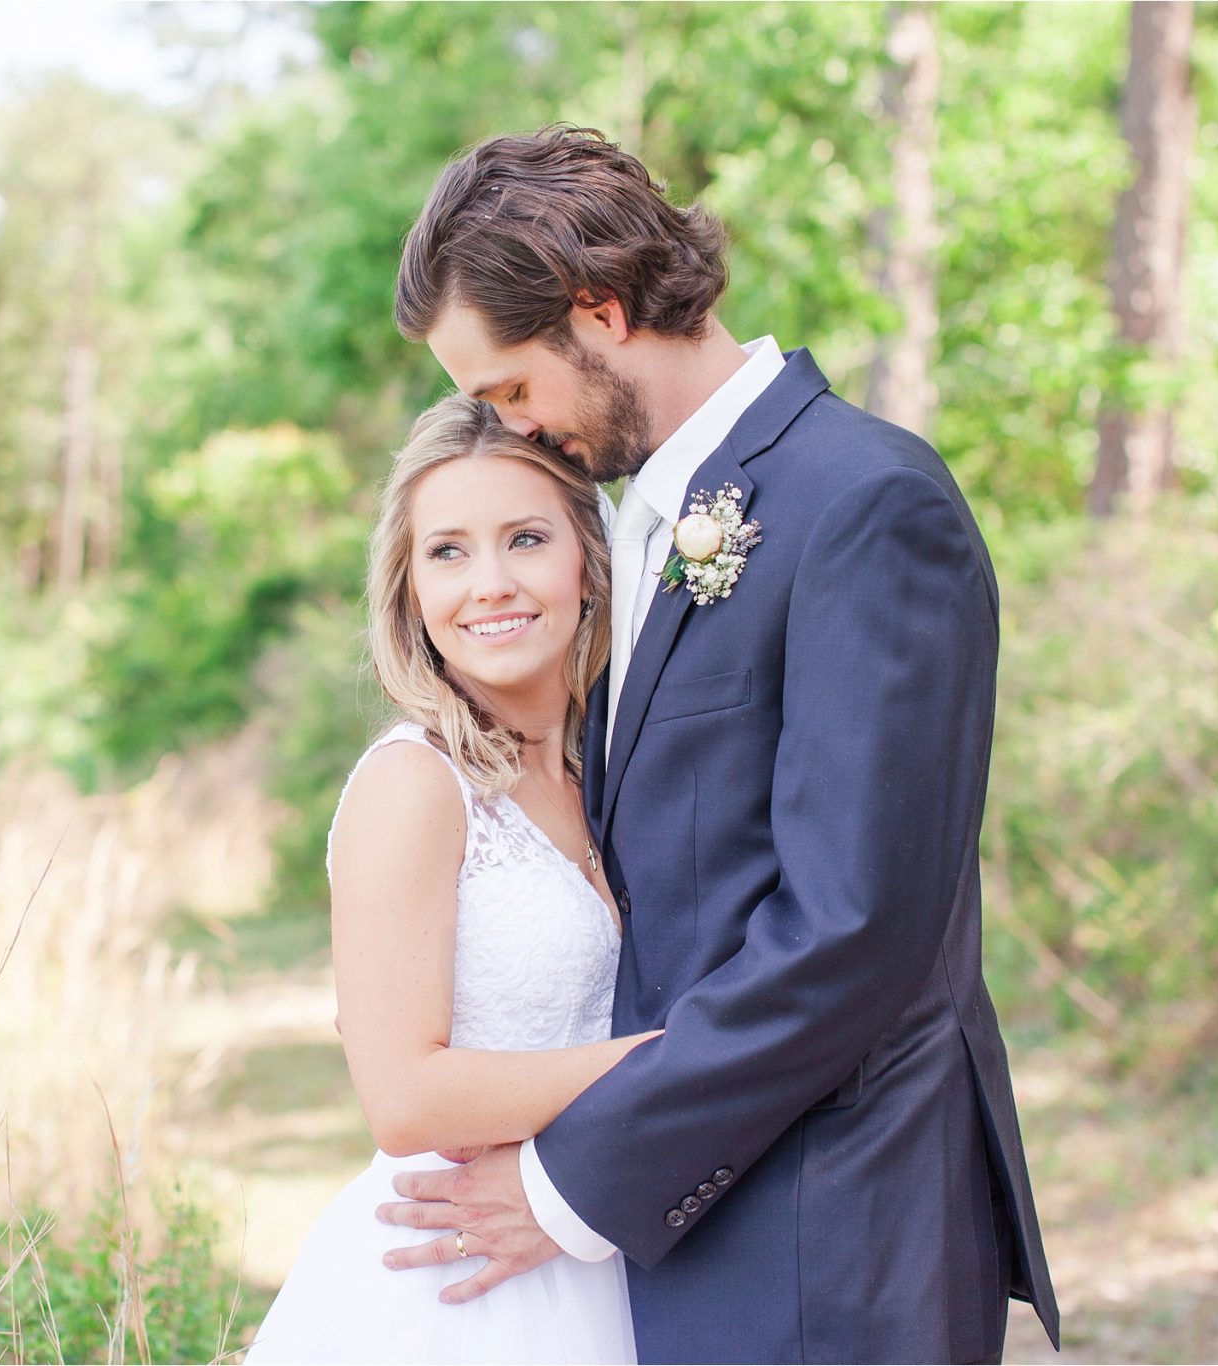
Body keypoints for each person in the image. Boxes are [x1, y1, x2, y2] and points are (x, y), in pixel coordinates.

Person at [373, 126, 1061, 1365]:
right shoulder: (646, 522)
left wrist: (569, 1181)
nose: (516, 433)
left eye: (515, 390)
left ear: (601, 308)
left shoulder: (862, 503)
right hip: (700, 1235)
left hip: (839, 1231)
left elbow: (853, 929)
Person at [244, 396, 655, 1364]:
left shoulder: (612, 772)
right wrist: (679, 1061)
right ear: (409, 588)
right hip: (456, 1275)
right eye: (448, 551)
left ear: (587, 562)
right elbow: (403, 1097)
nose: (490, 584)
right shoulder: (413, 784)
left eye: (523, 538)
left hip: (603, 1239)